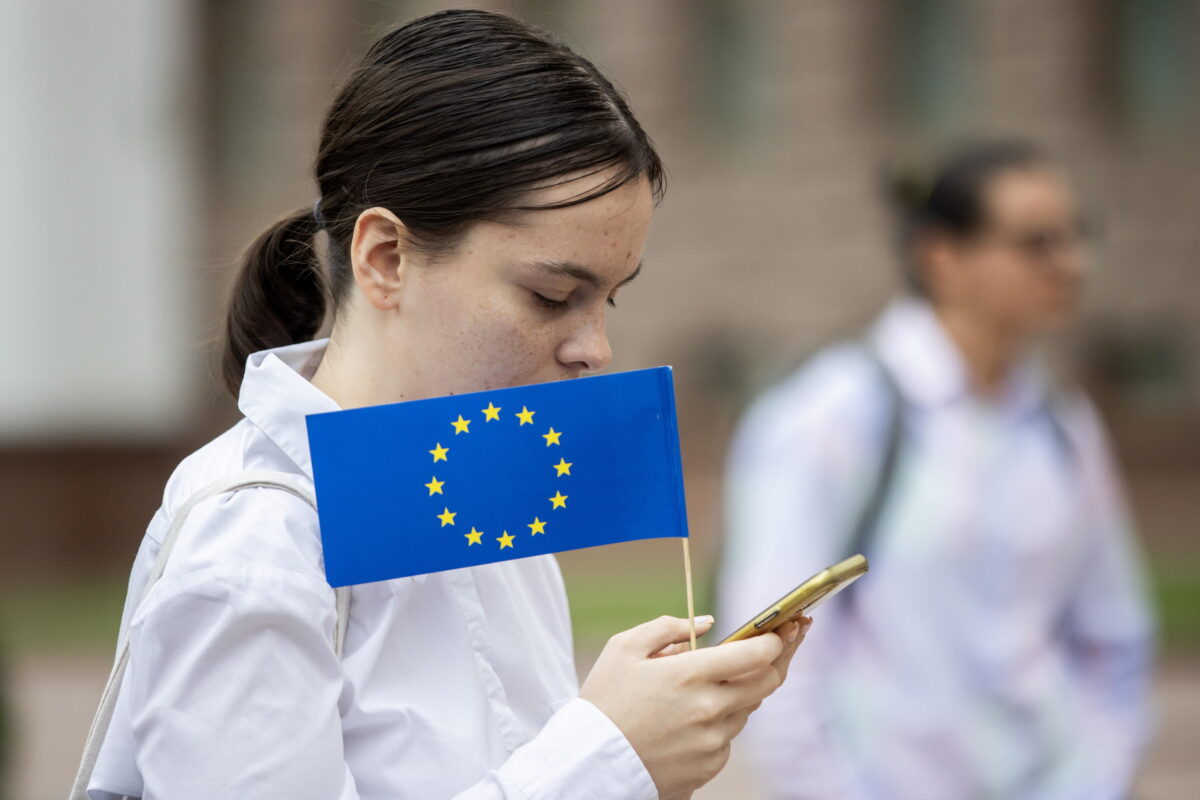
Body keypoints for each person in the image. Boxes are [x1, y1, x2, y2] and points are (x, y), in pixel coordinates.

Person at [81, 10, 809, 799]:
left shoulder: (492, 491)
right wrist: (608, 756)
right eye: (553, 294)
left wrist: (645, 743)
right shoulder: (255, 545)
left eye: (610, 299)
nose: (593, 347)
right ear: (386, 256)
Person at [716, 141, 1155, 800]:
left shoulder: (1065, 425)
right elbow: (769, 662)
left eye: (1075, 235)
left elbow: (1113, 635)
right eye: (1038, 242)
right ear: (940, 256)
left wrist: (1096, 780)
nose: (1073, 263)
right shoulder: (829, 417)